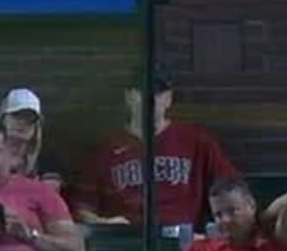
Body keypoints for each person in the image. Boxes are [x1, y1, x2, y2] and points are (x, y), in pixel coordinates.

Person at [73, 72, 239, 235]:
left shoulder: (197, 141)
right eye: (143, 91)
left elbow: (234, 191)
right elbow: (82, 210)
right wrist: (107, 225)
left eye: (158, 93)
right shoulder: (106, 149)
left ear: (169, 99)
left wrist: (216, 233)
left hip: (184, 243)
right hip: (128, 244)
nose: (151, 98)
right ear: (128, 97)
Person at [186, 179, 287, 251]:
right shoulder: (198, 250)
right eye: (218, 215)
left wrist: (260, 220)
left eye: (232, 211)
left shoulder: (275, 244)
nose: (226, 220)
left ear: (251, 206)